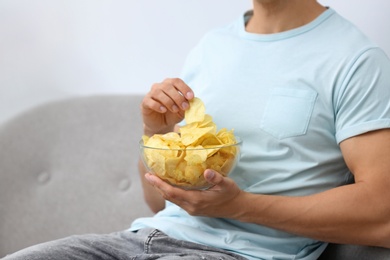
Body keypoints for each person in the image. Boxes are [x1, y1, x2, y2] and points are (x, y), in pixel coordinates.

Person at [4, 0, 390, 259]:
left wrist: (241, 207)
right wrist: (158, 133)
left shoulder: (355, 60)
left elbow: (382, 215)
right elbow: (158, 203)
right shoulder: (213, 47)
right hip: (142, 239)